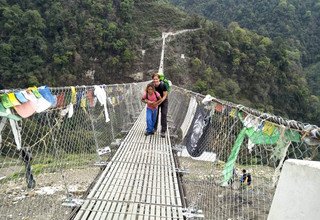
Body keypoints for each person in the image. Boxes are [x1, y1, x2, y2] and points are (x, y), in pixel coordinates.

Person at [152, 73, 168, 138]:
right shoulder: (151, 85)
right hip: (156, 101)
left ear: (159, 79)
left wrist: (160, 101)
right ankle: (154, 128)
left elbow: (165, 95)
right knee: (155, 114)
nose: (155, 80)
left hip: (164, 101)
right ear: (152, 79)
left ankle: (163, 131)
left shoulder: (163, 85)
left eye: (156, 79)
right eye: (154, 79)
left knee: (164, 114)